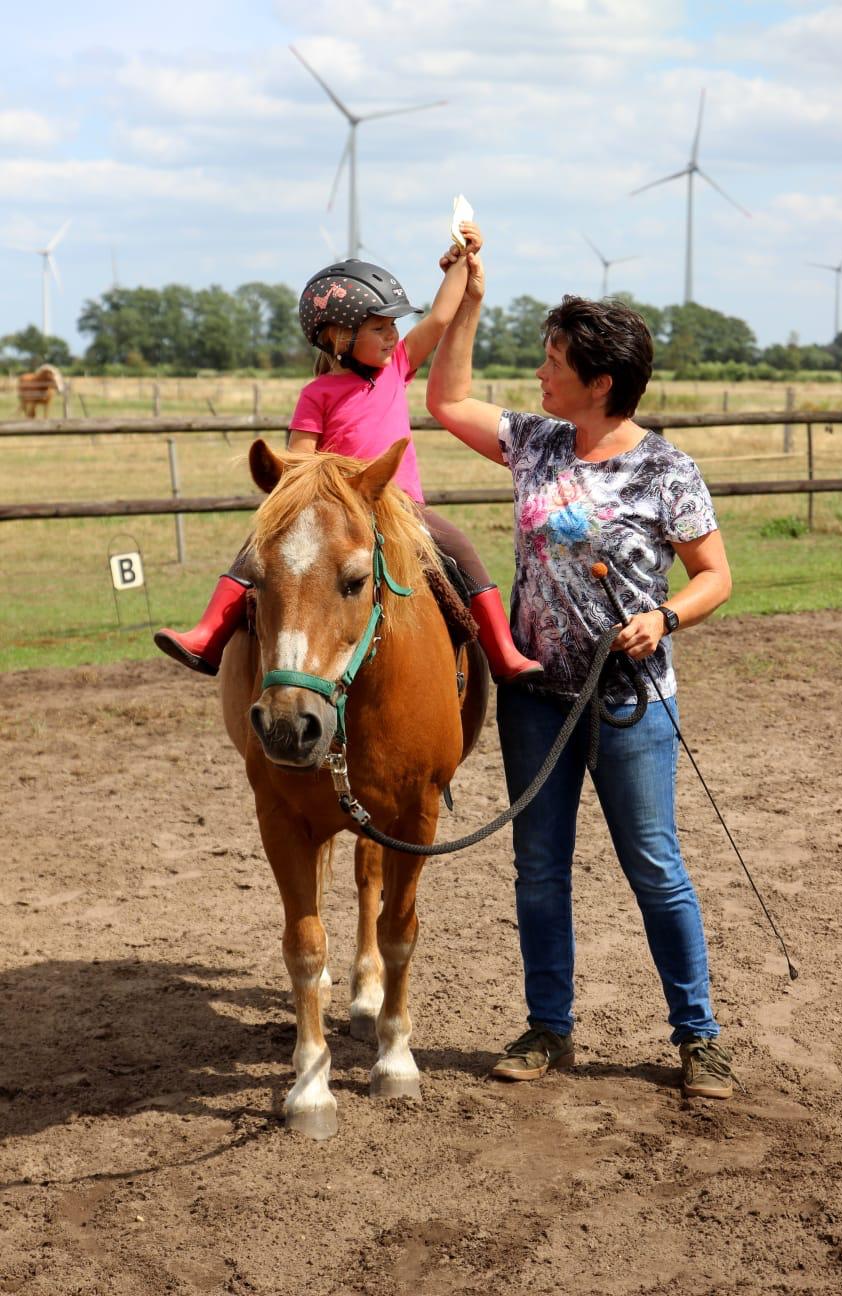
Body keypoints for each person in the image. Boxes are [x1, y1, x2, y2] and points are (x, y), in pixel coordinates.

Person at [426, 248, 737, 1100]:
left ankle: (698, 1035)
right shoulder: (535, 443)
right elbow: (445, 400)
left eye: (553, 362)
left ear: (600, 383)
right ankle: (548, 1029)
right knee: (538, 869)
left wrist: (665, 617)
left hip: (632, 703)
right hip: (537, 698)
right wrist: (468, 301)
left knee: (655, 867)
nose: (540, 374)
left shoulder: (666, 470)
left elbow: (715, 576)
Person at [154, 226, 541, 684]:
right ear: (339, 336)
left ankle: (502, 654)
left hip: (401, 507)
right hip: (335, 511)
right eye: (379, 327)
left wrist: (461, 260)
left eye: (393, 326)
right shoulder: (316, 394)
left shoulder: (398, 365)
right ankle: (207, 636)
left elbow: (439, 318)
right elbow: (299, 462)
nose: (392, 336)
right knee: (257, 549)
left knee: (461, 551)